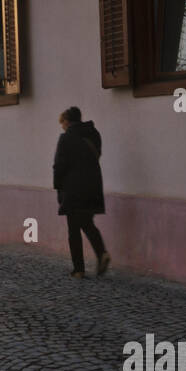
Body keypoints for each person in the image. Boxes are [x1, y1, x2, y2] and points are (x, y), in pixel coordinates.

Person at [53, 106, 110, 278]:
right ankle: (102, 253)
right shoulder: (94, 135)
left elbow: (59, 167)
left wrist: (58, 188)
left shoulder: (66, 138)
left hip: (73, 189)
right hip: (93, 186)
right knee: (86, 222)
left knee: (73, 229)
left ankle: (79, 269)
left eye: (62, 123)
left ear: (67, 122)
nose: (61, 127)